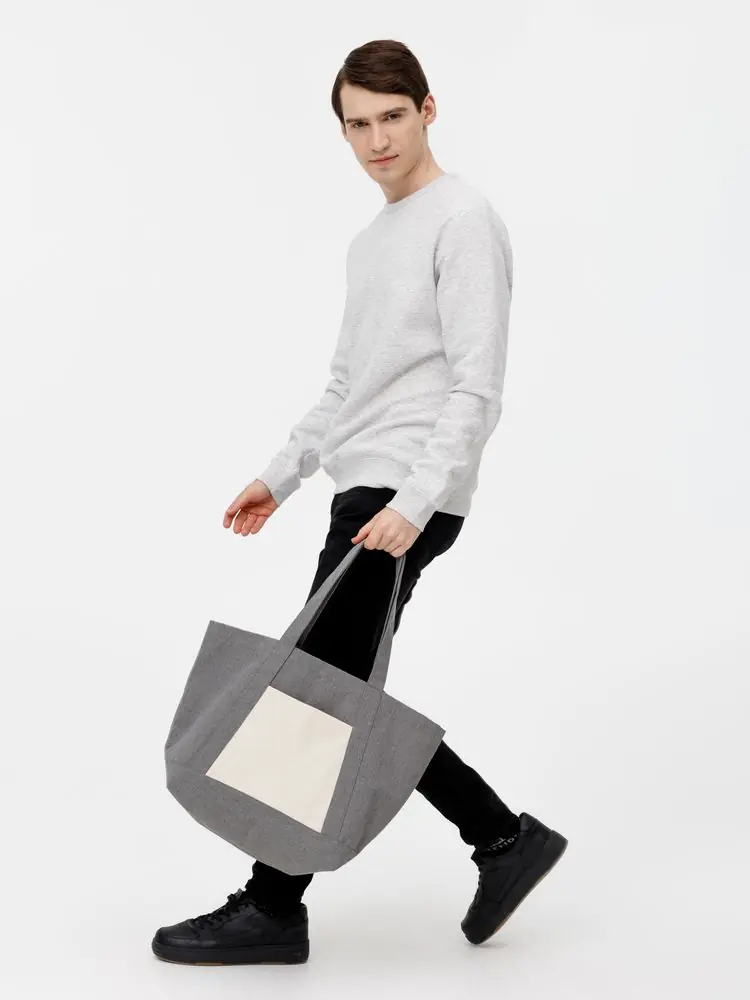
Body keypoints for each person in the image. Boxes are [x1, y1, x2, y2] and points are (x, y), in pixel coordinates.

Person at [152, 37, 568, 967]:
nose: (377, 140)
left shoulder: (463, 219)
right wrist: (281, 473)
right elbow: (348, 386)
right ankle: (501, 839)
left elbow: (479, 386)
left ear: (428, 110)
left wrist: (415, 503)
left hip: (402, 495)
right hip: (364, 489)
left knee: (316, 696)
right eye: (357, 124)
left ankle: (275, 906)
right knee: (331, 692)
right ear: (341, 131)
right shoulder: (371, 242)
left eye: (392, 117)